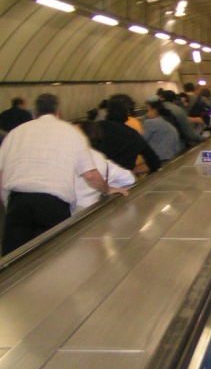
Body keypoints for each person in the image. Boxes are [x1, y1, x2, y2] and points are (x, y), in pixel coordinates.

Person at [0, 93, 128, 254]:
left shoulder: (15, 133)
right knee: (54, 257)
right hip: (54, 204)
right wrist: (107, 189)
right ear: (58, 113)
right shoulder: (72, 132)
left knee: (13, 260)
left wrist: (9, 204)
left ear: (35, 113)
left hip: (18, 202)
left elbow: (1, 174)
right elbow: (90, 174)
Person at [73, 121, 135, 213]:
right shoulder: (101, 159)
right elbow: (129, 179)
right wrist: (107, 187)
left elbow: (90, 175)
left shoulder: (67, 156)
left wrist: (107, 189)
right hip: (91, 210)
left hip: (72, 212)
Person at [98, 98, 161, 173]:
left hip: (100, 174)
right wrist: (131, 171)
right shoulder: (133, 135)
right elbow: (154, 162)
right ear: (126, 114)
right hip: (123, 177)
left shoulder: (98, 128)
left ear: (107, 112)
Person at [143, 96, 182, 163]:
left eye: (147, 111)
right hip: (172, 156)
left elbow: (142, 140)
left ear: (154, 110)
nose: (146, 114)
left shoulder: (150, 122)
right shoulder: (166, 121)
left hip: (158, 159)